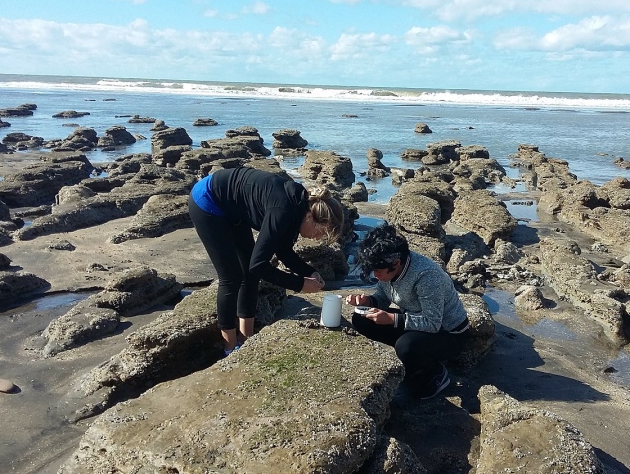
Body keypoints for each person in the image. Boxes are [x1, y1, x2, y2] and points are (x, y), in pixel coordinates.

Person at [188, 167, 344, 356]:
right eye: (320, 232)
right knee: (232, 277)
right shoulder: (283, 211)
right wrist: (300, 284)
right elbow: (259, 265)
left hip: (235, 208)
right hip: (209, 200)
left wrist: (309, 272)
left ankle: (246, 338)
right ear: (310, 217)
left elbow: (283, 250)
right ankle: (229, 348)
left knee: (248, 274)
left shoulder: (298, 210)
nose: (317, 239)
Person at [347, 222, 469, 400]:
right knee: (361, 318)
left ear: (396, 263)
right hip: (416, 321)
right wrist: (368, 301)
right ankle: (413, 362)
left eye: (378, 271)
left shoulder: (427, 276)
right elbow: (383, 295)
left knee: (406, 346)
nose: (376, 275)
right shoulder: (389, 261)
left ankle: (435, 372)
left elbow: (432, 323)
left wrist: (391, 319)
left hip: (449, 332)